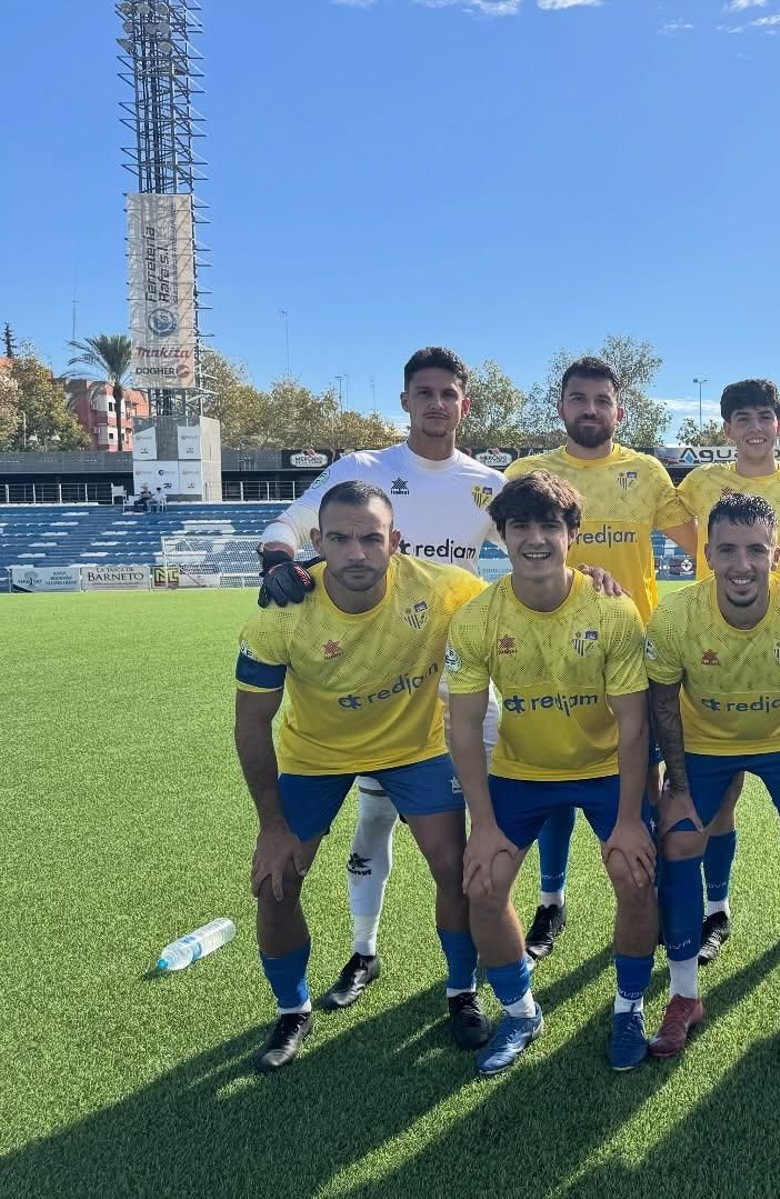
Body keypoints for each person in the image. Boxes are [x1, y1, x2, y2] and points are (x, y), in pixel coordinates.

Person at [253, 346, 506, 1012]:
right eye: (422, 392)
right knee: (370, 828)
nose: (434, 404)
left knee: (460, 854)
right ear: (405, 401)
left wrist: (588, 575)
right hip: (363, 676)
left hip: (448, 687)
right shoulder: (363, 470)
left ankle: (465, 985)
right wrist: (279, 554)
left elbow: (544, 545)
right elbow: (290, 523)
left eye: (446, 393)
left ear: (463, 403)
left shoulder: (486, 484)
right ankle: (363, 952)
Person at [234, 481, 489, 1072]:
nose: (356, 552)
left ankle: (460, 991)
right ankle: (292, 1009)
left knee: (457, 870)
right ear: (317, 542)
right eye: (341, 539)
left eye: (371, 538)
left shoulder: (442, 587)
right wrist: (271, 825)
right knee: (275, 882)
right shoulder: (280, 616)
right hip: (315, 756)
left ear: (394, 542)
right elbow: (251, 727)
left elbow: (523, 604)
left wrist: (594, 583)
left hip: (415, 748)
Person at [445, 471, 659, 1074]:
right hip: (522, 771)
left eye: (549, 526)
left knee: (636, 875)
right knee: (482, 886)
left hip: (604, 770)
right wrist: (481, 823)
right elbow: (462, 727)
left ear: (572, 534)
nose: (534, 539)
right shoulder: (479, 617)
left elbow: (633, 725)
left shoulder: (612, 611)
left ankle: (627, 1006)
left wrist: (627, 820)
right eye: (520, 527)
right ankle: (519, 1014)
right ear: (502, 535)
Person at [503, 356, 698, 964]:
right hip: (547, 647)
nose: (591, 410)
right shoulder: (528, 472)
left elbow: (701, 547)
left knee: (646, 776)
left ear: (620, 410)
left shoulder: (647, 472)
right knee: (554, 777)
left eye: (601, 400)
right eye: (578, 399)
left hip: (633, 648)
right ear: (561, 407)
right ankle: (551, 899)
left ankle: (655, 899)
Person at [645, 493, 780, 1057]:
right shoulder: (678, 615)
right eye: (728, 550)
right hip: (704, 743)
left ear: (776, 554)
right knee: (680, 841)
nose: (742, 564)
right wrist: (677, 790)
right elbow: (663, 702)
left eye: (757, 549)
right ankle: (685, 995)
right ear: (706, 554)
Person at [675, 379, 780, 964]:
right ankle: (715, 910)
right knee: (718, 807)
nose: (753, 426)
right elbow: (685, 540)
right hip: (717, 644)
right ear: (726, 429)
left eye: (764, 416)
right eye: (741, 417)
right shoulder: (699, 484)